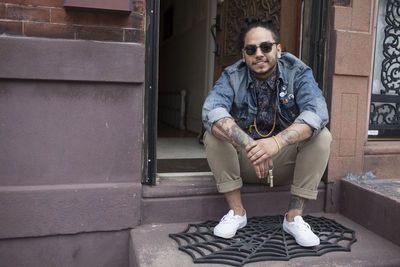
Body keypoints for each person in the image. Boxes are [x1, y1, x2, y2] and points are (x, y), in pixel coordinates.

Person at [202, 17, 332, 247]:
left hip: (282, 163)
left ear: (278, 49)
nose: (259, 54)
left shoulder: (298, 72)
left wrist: (275, 143)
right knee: (213, 132)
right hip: (246, 162)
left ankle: (294, 217)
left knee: (322, 136)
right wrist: (250, 144)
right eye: (251, 49)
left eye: (266, 47)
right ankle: (237, 213)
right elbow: (212, 110)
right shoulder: (232, 76)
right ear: (244, 54)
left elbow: (317, 113)